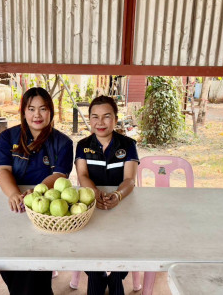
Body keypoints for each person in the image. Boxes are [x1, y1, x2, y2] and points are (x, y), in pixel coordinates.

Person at [0, 87, 74, 295]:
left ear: (51, 112)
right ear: (23, 112)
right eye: (31, 109)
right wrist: (13, 194)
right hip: (12, 206)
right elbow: (2, 169)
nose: (37, 115)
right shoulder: (7, 137)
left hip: (44, 208)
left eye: (43, 109)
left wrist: (36, 193)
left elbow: (59, 176)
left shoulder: (63, 143)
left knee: (35, 264)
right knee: (9, 262)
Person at [75, 95, 139, 295]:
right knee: (87, 244)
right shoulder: (82, 145)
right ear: (89, 119)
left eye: (106, 117)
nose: (100, 122)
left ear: (116, 119)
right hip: (91, 205)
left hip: (122, 205)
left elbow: (129, 180)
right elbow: (82, 175)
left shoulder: (128, 145)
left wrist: (118, 196)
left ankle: (117, 277)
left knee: (129, 244)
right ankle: (97, 275)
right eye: (95, 117)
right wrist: (94, 193)